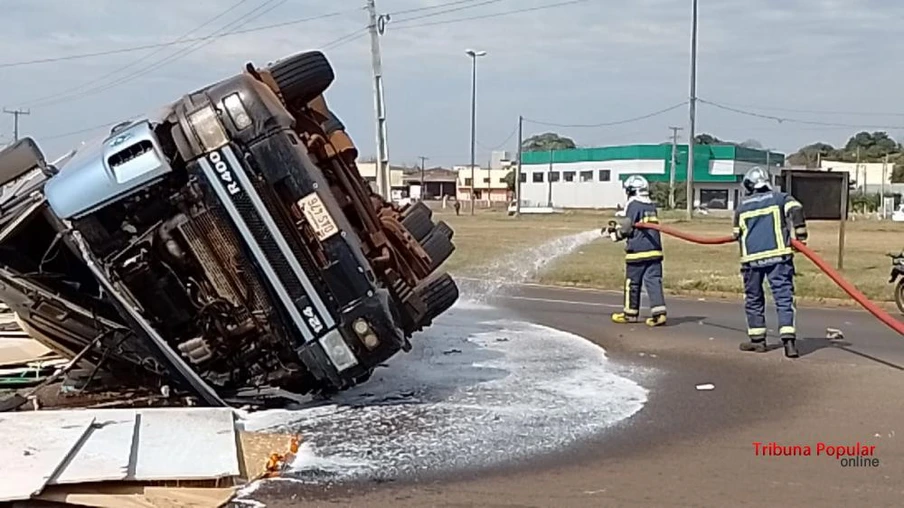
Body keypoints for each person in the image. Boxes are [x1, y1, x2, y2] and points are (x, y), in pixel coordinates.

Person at [732, 166, 808, 358]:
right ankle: (789, 344)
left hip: (751, 261)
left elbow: (735, 234)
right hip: (779, 258)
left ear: (749, 185)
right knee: (784, 299)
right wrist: (801, 235)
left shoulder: (742, 206)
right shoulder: (780, 198)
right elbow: (796, 209)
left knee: (754, 300)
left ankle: (758, 341)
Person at [604, 175, 667, 327]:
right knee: (654, 282)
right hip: (655, 251)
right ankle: (659, 314)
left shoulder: (633, 204)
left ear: (632, 191)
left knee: (632, 283)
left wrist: (615, 235)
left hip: (638, 252)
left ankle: (630, 314)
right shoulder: (651, 205)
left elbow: (627, 227)